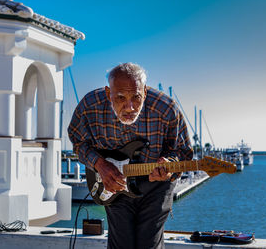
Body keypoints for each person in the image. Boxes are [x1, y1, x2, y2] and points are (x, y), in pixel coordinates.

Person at [68, 63, 193, 249]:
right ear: (108, 92)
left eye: (136, 97)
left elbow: (183, 151)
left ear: (144, 91)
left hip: (157, 185)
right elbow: (78, 141)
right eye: (120, 98)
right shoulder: (90, 105)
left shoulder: (166, 108)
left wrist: (169, 164)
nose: (130, 107)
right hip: (113, 181)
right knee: (121, 243)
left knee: (149, 243)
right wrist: (100, 165)